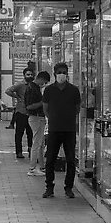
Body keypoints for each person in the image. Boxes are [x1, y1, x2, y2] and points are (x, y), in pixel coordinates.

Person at [42, 62, 81, 199]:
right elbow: (45, 108)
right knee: (50, 159)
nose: (62, 75)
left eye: (64, 72)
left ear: (67, 73)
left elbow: (77, 108)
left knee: (70, 160)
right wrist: (53, 118)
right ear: (54, 74)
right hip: (54, 129)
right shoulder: (49, 90)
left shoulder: (74, 90)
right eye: (59, 72)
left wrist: (68, 117)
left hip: (69, 129)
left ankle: (69, 188)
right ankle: (49, 187)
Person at [24, 71, 51, 176]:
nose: (44, 84)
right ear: (41, 78)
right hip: (36, 117)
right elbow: (29, 106)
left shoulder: (34, 87)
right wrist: (42, 102)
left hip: (37, 118)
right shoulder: (32, 89)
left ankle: (41, 166)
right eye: (44, 81)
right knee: (37, 143)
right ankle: (32, 168)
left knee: (40, 143)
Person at [5, 67, 35, 159]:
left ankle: (31, 151)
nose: (29, 76)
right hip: (21, 112)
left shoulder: (34, 85)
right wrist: (17, 97)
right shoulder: (20, 85)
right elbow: (8, 91)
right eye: (28, 74)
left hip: (31, 113)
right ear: (24, 75)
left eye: (31, 74)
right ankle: (19, 152)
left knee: (31, 133)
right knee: (19, 133)